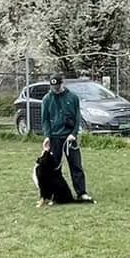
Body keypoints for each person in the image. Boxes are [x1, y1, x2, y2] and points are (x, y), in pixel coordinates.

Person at [39, 72, 92, 203]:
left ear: (62, 84)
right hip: (55, 139)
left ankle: (81, 192)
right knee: (54, 168)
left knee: (76, 165)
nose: (55, 90)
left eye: (57, 87)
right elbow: (45, 119)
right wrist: (47, 136)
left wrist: (73, 134)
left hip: (69, 138)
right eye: (53, 88)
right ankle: (53, 195)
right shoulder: (47, 99)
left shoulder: (72, 98)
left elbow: (77, 118)